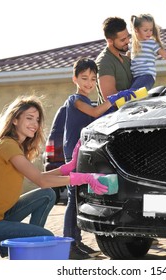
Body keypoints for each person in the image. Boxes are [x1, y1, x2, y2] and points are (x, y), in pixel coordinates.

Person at [0, 95, 109, 260]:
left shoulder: (15, 146)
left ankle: (28, 249)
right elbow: (41, 180)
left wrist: (64, 169)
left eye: (37, 120)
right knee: (45, 236)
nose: (34, 124)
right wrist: (83, 178)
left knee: (47, 195)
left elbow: (39, 178)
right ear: (15, 120)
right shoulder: (7, 145)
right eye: (29, 118)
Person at [62, 57, 135, 259]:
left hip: (83, 151)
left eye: (93, 79)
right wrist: (112, 99)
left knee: (79, 197)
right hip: (73, 155)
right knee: (73, 197)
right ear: (74, 78)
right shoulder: (75, 100)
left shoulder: (89, 101)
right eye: (84, 78)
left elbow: (100, 115)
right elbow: (95, 113)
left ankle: (76, 241)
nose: (89, 83)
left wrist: (118, 104)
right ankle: (69, 243)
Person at [129, 14, 166, 91]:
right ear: (136, 30)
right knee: (133, 95)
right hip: (135, 77)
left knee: (133, 93)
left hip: (147, 76)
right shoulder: (132, 44)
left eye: (151, 30)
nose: (149, 33)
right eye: (145, 30)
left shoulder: (152, 43)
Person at [95, 16, 133, 106]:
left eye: (128, 37)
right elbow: (110, 98)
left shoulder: (126, 59)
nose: (128, 41)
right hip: (113, 118)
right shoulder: (104, 62)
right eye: (123, 40)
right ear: (110, 41)